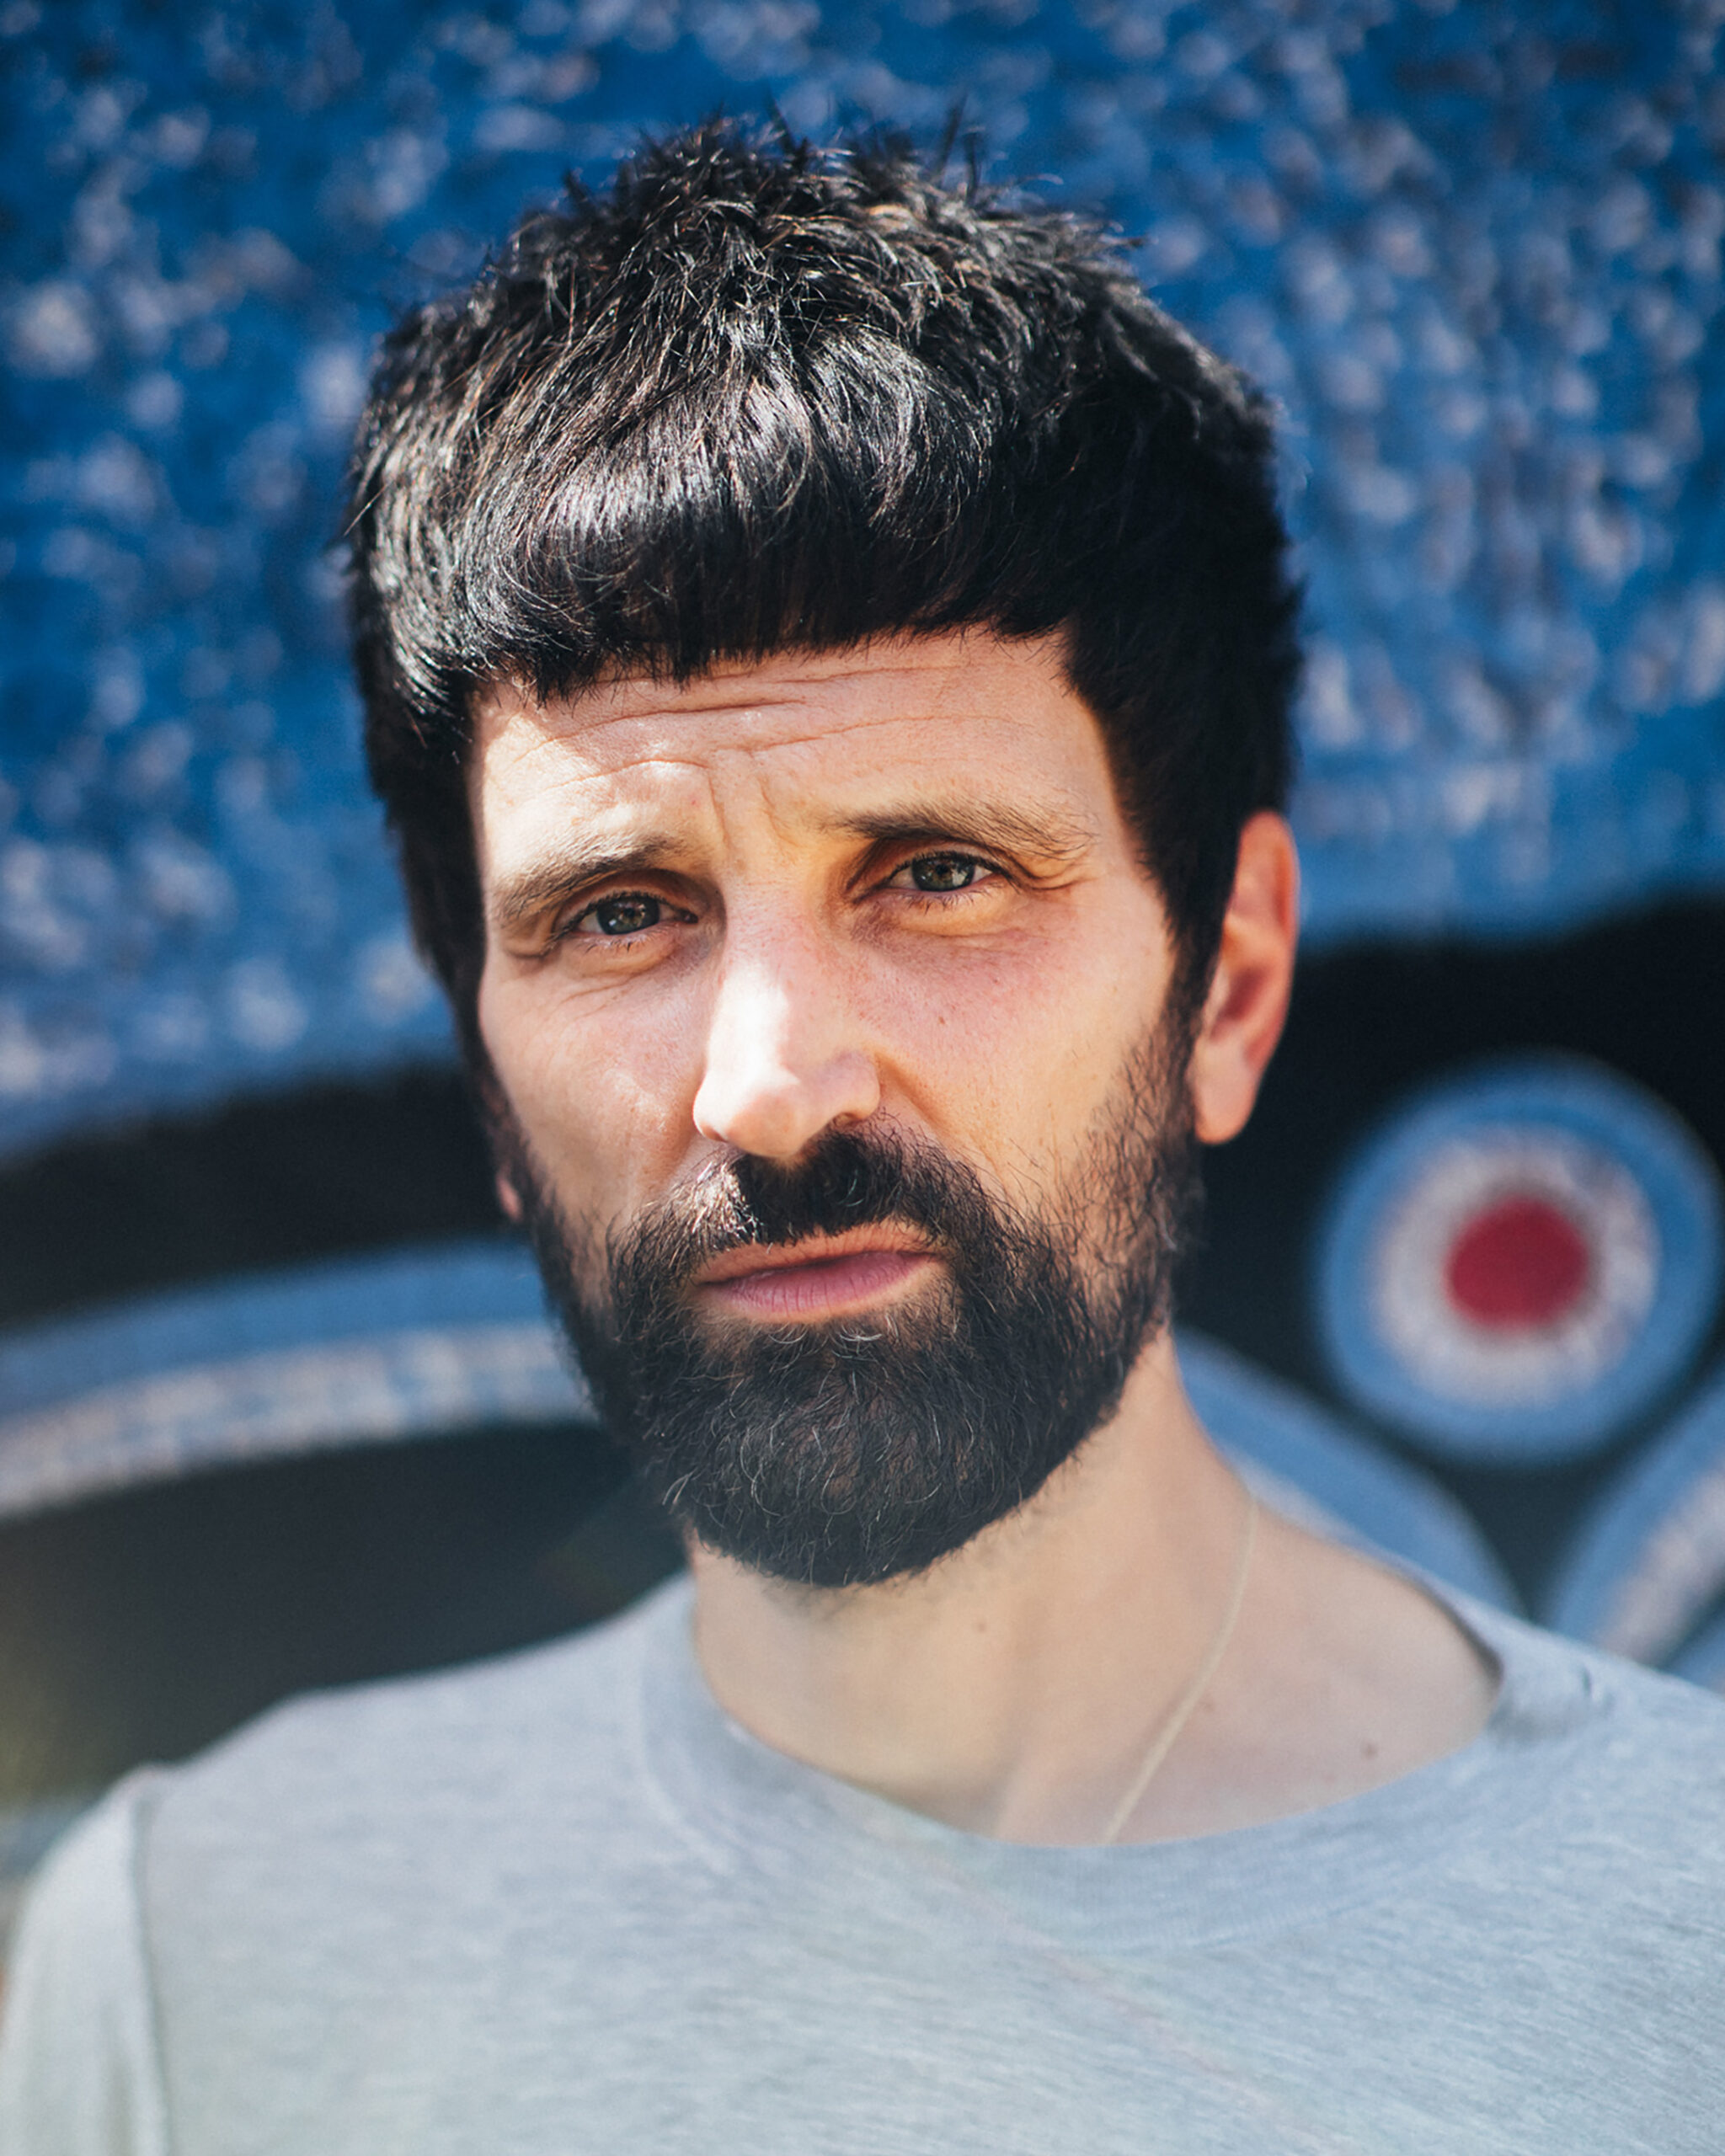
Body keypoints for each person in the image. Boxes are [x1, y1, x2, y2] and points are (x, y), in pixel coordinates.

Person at [3, 120, 1723, 2154]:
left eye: (934, 874)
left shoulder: (1677, 1951)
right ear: (487, 1071)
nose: (768, 1084)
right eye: (619, 913)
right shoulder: (202, 1961)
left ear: (1230, 988)